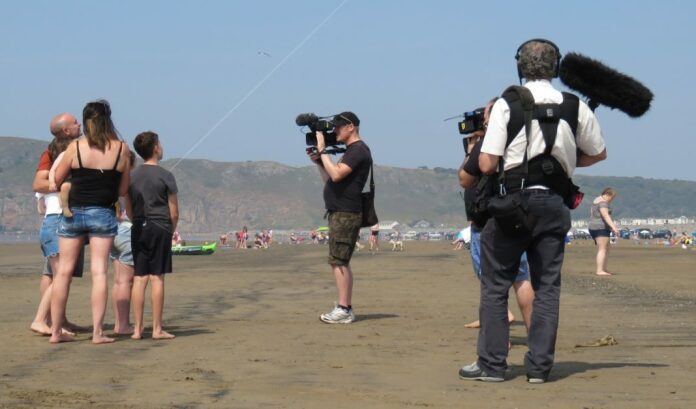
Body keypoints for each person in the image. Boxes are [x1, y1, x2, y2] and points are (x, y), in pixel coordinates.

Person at [458, 39, 607, 383]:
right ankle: (539, 368)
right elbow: (598, 153)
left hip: (512, 202)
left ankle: (493, 365)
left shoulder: (507, 103)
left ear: (520, 67)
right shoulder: (575, 106)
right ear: (555, 68)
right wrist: (562, 164)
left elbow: (486, 161)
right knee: (548, 286)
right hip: (554, 204)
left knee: (495, 286)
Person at [50, 100, 131, 344]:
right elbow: (124, 188)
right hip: (103, 213)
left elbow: (57, 178)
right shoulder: (121, 149)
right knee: (98, 272)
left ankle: (55, 332)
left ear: (85, 122)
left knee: (63, 272)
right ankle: (97, 333)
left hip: (73, 212)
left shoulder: (75, 147)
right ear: (108, 120)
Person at [458, 99, 534, 331]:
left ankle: (499, 337)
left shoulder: (490, 142)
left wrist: (472, 151)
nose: (484, 120)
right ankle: (536, 333)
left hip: (487, 220)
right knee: (521, 277)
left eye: (486, 115)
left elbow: (465, 178)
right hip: (515, 216)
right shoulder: (522, 141)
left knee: (491, 281)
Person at [306, 112, 372, 324]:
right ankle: (344, 307)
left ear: (351, 127)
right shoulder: (352, 151)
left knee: (339, 261)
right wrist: (319, 161)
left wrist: (323, 149)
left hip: (346, 212)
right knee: (339, 260)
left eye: (338, 127)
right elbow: (331, 180)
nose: (335, 131)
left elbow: (335, 175)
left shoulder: (358, 150)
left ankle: (344, 308)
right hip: (339, 211)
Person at [30, 132, 87, 336]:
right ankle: (40, 320)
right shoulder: (63, 177)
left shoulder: (47, 180)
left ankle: (59, 320)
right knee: (61, 277)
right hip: (59, 223)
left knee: (58, 276)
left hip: (49, 223)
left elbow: (40, 208)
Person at [128, 131, 178, 340]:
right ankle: (156, 329)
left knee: (139, 278)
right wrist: (170, 230)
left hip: (139, 225)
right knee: (157, 277)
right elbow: (174, 211)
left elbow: (128, 207)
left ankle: (138, 329)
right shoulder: (166, 175)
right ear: (156, 148)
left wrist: (136, 221)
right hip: (160, 225)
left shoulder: (132, 176)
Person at [588, 188, 620, 276]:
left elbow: (592, 214)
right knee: (602, 249)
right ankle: (600, 270)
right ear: (607, 194)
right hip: (600, 227)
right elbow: (605, 215)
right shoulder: (603, 203)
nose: (611, 200)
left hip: (593, 226)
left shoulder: (596, 200)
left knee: (606, 248)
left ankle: (603, 268)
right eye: (612, 197)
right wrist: (614, 227)